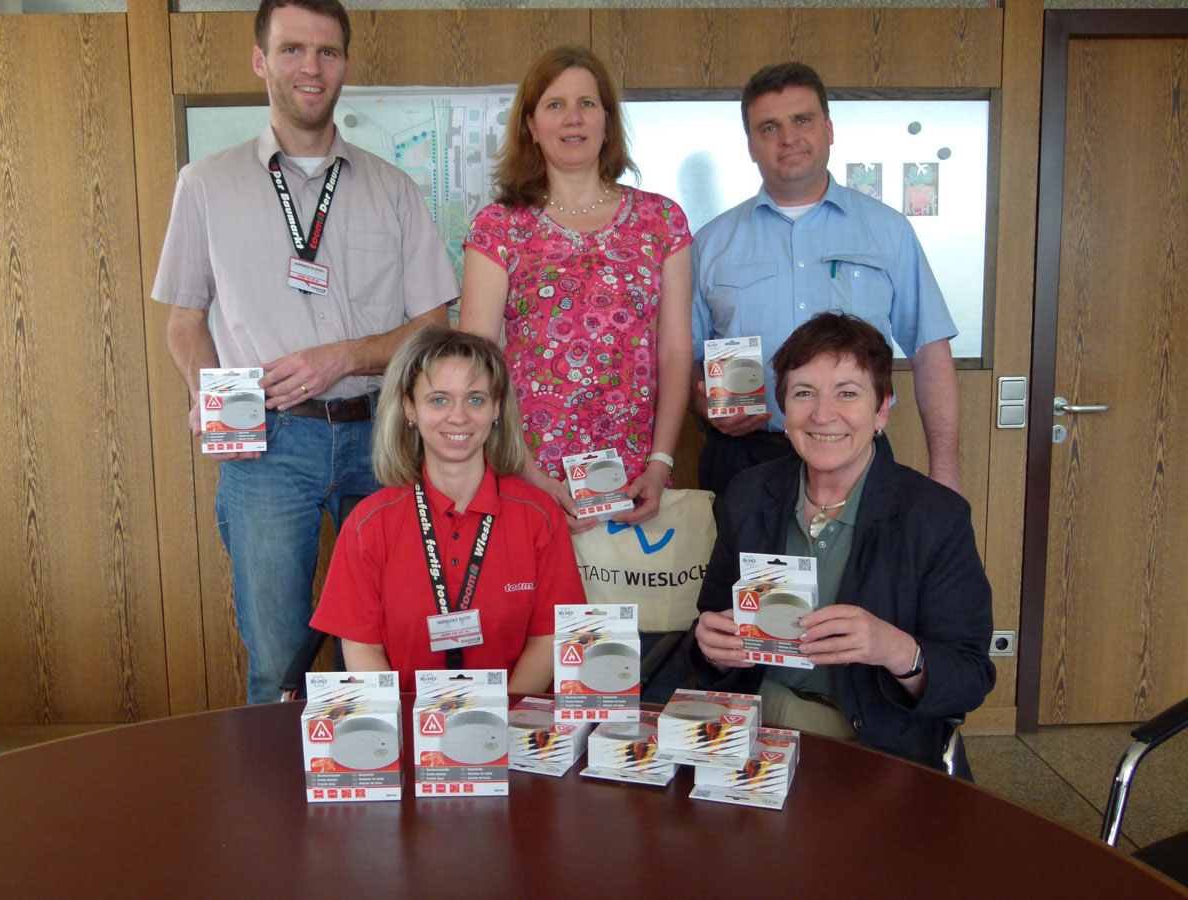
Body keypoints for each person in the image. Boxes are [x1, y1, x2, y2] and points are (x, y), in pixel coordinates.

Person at [151, 0, 458, 704]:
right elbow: (183, 322)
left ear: (345, 64)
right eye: (292, 50)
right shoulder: (205, 184)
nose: (310, 68)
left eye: (326, 52)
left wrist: (344, 356)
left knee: (389, 640)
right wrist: (208, 393)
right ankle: (274, 808)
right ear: (260, 60)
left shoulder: (394, 188)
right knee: (277, 656)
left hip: (383, 438)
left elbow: (433, 326)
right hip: (265, 446)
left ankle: (385, 795)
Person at [688, 313, 993, 774]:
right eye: (803, 393)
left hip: (875, 739)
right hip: (755, 728)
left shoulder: (935, 517)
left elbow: (970, 679)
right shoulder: (749, 495)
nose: (823, 414)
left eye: (847, 393)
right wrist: (710, 645)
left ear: (882, 409)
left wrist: (896, 649)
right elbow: (711, 627)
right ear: (783, 410)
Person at [691, 61, 961, 497]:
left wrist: (945, 469)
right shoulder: (710, 243)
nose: (789, 138)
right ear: (750, 145)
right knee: (752, 570)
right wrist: (703, 404)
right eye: (769, 127)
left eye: (802, 120)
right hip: (746, 459)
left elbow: (930, 352)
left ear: (829, 129)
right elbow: (682, 360)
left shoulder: (888, 231)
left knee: (860, 568)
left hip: (857, 456)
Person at [460, 45, 693, 533]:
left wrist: (661, 463)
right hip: (530, 470)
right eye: (554, 105)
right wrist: (524, 471)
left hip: (633, 478)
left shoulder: (662, 220)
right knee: (534, 609)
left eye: (587, 103)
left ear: (607, 120)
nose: (573, 118)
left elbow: (674, 352)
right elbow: (478, 364)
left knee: (632, 610)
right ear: (530, 124)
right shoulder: (499, 227)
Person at [310, 328, 584, 692]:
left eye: (475, 400)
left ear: (497, 407)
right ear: (410, 408)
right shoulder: (369, 523)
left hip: (512, 728)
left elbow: (549, 638)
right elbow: (362, 648)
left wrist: (498, 724)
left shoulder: (539, 516)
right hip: (406, 731)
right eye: (439, 400)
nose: (458, 417)